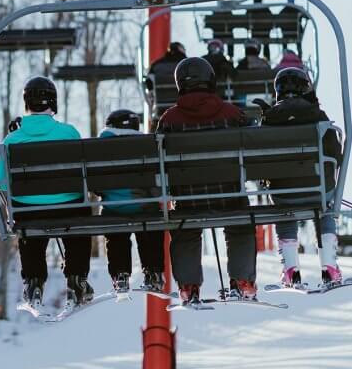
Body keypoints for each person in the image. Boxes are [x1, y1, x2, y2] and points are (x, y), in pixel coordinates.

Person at [157, 58, 257, 303]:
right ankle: (242, 280)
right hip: (230, 196)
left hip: (189, 200)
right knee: (241, 224)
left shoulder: (169, 120)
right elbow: (255, 149)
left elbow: (158, 161)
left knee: (185, 229)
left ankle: (189, 286)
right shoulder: (232, 114)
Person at [0, 76, 93, 307]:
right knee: (78, 225)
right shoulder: (69, 133)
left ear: (26, 103)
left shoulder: (12, 139)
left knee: (30, 231)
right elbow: (83, 172)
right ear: (54, 102)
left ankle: (33, 281)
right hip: (68, 207)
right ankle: (77, 278)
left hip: (29, 210)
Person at [259, 67, 343, 287]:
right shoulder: (318, 115)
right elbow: (335, 151)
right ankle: (329, 269)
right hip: (318, 189)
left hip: (284, 193)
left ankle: (290, 271)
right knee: (324, 208)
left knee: (285, 211)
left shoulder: (269, 119)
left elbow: (259, 160)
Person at [98, 109, 165, 293]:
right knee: (150, 225)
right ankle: (154, 272)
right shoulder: (145, 145)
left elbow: (96, 186)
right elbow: (156, 185)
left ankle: (120, 275)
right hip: (144, 208)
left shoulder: (99, 148)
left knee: (116, 233)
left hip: (114, 209)